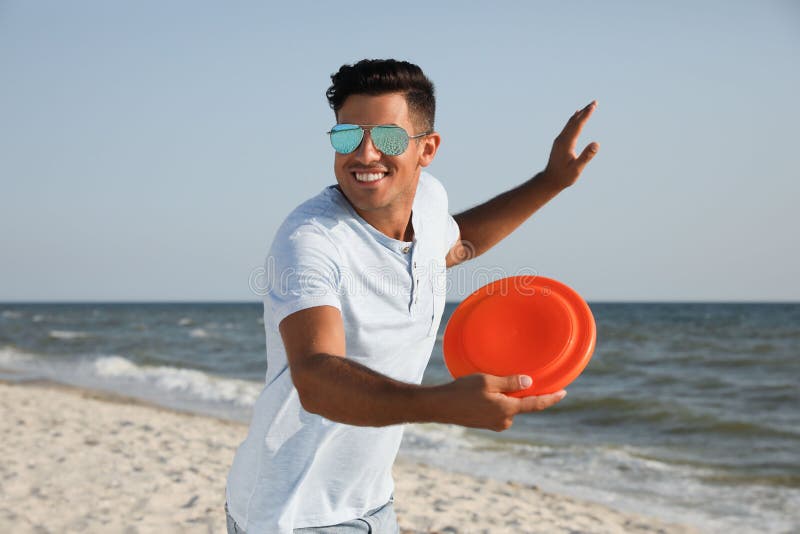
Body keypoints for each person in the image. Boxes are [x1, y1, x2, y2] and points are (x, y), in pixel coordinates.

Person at [225, 58, 599, 533]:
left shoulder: (429, 201)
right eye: (347, 136)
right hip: (292, 515)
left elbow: (456, 245)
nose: (364, 154)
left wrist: (550, 183)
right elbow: (315, 378)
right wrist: (442, 403)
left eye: (387, 138)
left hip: (373, 503)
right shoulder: (310, 240)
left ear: (428, 149)